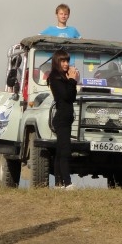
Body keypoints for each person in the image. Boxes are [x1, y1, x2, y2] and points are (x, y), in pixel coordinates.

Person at [47, 49, 79, 189]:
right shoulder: (55, 77)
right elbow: (65, 96)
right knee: (65, 151)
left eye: (67, 61)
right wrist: (72, 80)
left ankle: (59, 184)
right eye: (63, 61)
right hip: (61, 118)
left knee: (60, 151)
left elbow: (72, 97)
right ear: (57, 62)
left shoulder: (64, 78)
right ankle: (67, 182)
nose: (66, 64)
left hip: (67, 117)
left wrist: (71, 80)